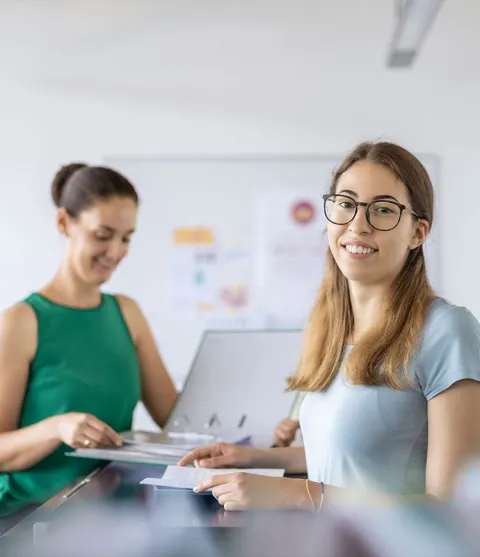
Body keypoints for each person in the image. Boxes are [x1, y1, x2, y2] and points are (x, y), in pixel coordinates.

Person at [179, 141, 480, 511]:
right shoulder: (333, 328)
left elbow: (454, 509)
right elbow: (358, 455)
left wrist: (298, 494)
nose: (358, 225)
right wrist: (251, 457)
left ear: (417, 233)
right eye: (346, 204)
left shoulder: (446, 329)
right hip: (327, 556)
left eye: (383, 210)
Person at [0, 163, 177, 517]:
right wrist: (56, 427)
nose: (115, 251)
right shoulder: (21, 322)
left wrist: (265, 432)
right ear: (64, 223)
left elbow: (175, 419)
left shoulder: (127, 313)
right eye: (103, 234)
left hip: (109, 515)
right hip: (29, 519)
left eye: (126, 237)